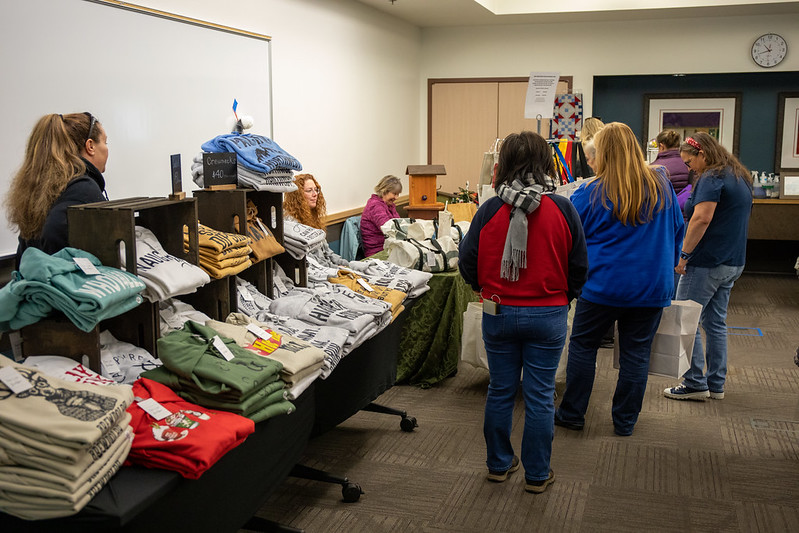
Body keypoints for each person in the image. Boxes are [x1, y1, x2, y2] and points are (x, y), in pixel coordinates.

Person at [459, 131, 588, 494]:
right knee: (540, 395)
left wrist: (485, 291)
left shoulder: (488, 208)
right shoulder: (563, 208)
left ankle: (498, 465)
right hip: (548, 314)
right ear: (546, 163)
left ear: (504, 166)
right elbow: (579, 265)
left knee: (500, 390)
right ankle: (537, 473)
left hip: (497, 312)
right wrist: (564, 298)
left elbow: (467, 263)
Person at [555, 122, 684, 436]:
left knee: (583, 347)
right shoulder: (661, 185)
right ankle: (625, 422)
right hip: (651, 286)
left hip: (602, 286)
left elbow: (570, 242)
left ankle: (573, 413)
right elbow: (677, 230)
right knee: (636, 354)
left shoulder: (588, 193)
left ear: (603, 153)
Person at [663, 132, 753, 401]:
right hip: (733, 261)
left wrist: (683, 256)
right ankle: (716, 384)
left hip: (706, 263)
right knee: (715, 323)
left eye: (689, 163)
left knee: (685, 320)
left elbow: (701, 218)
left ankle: (694, 382)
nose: (689, 169)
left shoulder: (712, 177)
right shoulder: (739, 175)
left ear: (702, 154)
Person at [5, 112, 109, 266]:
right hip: (68, 287)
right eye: (106, 142)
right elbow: (54, 234)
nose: (107, 149)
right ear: (90, 146)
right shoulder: (82, 188)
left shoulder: (47, 186)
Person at [359, 174, 402, 257]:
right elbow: (388, 228)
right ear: (384, 191)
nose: (396, 197)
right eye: (394, 194)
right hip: (377, 252)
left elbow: (399, 223)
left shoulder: (389, 205)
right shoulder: (375, 205)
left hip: (389, 247)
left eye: (398, 194)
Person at [651, 129, 692, 208]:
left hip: (665, 214)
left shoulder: (654, 168)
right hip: (686, 214)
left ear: (661, 146)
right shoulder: (690, 164)